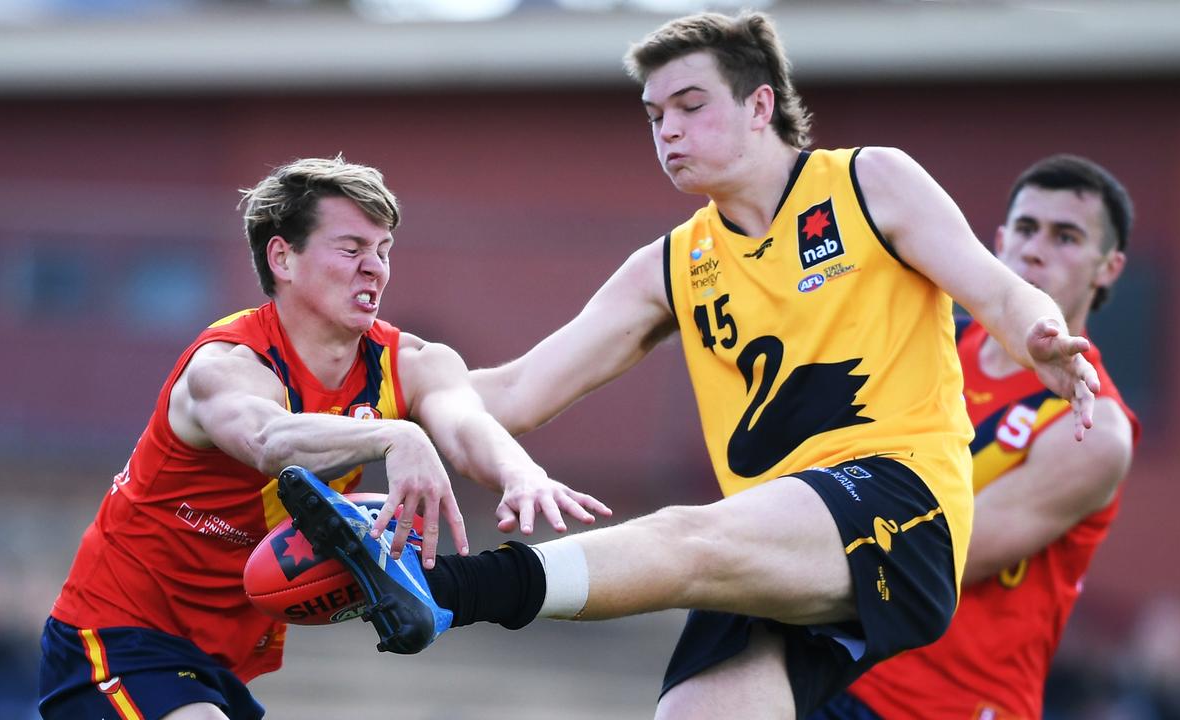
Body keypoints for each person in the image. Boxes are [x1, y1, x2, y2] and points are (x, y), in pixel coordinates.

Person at [282, 12, 1102, 719]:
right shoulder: (669, 265)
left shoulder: (867, 182)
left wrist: (1037, 333)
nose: (666, 130)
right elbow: (520, 394)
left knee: (683, 535)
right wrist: (375, 398)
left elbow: (998, 290)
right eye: (653, 115)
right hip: (772, 538)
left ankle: (445, 587)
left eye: (688, 105)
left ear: (759, 106)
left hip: (898, 500)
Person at [37, 156, 609, 720]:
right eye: (352, 248)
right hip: (112, 635)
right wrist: (396, 435)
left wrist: (520, 472)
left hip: (218, 660)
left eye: (384, 251)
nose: (376, 268)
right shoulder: (227, 363)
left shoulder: (407, 361)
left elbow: (466, 421)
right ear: (283, 257)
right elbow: (269, 439)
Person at [809, 154, 1140, 720]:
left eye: (1066, 237)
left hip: (952, 704)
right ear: (1001, 240)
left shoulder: (1093, 425)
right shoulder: (927, 346)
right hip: (842, 671)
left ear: (1107, 268)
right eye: (1028, 229)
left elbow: (942, 554)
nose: (1036, 249)